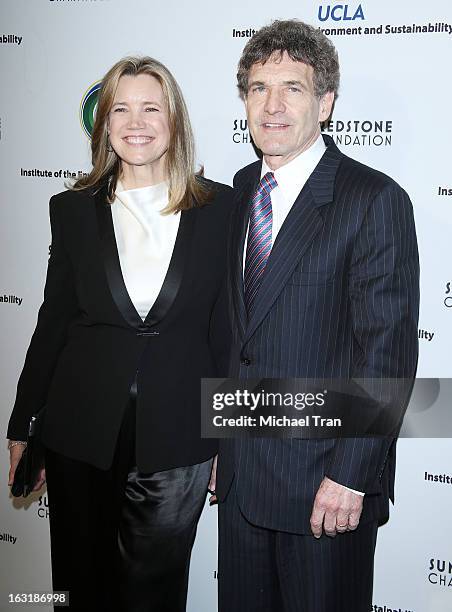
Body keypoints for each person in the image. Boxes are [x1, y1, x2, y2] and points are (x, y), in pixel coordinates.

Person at [7, 56, 231, 612]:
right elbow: (53, 318)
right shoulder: (73, 210)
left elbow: (226, 330)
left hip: (179, 438)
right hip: (78, 431)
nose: (137, 121)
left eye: (151, 108)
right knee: (79, 588)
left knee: (152, 594)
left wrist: (229, 434)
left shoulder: (222, 207)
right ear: (104, 124)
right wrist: (22, 421)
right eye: (121, 109)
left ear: (173, 121)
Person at [214, 20, 419, 612]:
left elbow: (386, 355)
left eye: (293, 88)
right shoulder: (239, 191)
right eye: (257, 88)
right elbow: (238, 339)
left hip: (325, 491)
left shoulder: (373, 198)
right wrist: (219, 447)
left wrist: (352, 474)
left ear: (326, 102)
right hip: (242, 482)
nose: (272, 106)